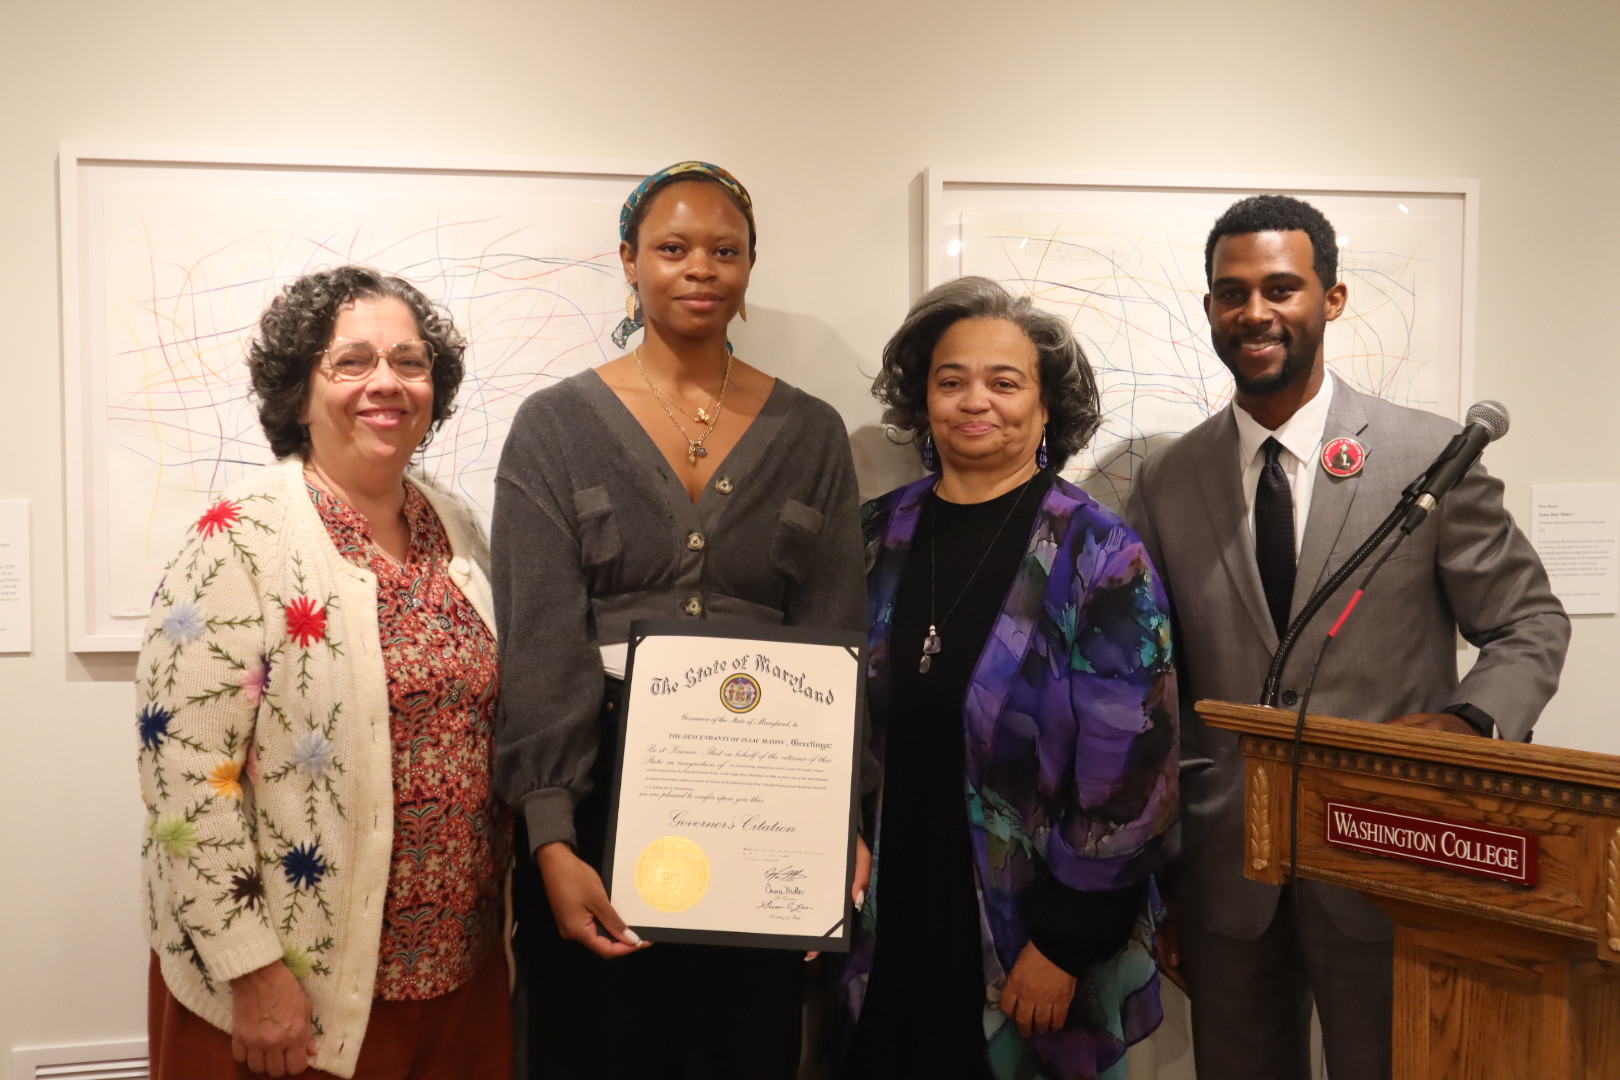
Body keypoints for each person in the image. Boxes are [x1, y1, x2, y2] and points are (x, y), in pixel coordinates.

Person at [1124, 194, 1570, 1080]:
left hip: (1389, 857)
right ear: (1210, 307)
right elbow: (1153, 684)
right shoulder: (1169, 478)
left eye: (1281, 288)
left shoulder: (1430, 457)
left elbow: (1528, 624)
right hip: (1224, 873)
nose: (1255, 312)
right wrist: (1158, 879)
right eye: (1231, 292)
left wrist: (1472, 725)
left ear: (1330, 299)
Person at [491, 161, 869, 1079]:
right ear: (629, 261)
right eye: (672, 247)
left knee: (745, 1045)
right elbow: (539, 639)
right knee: (596, 1043)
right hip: (598, 788)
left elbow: (838, 635)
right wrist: (550, 835)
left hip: (764, 790)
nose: (700, 267)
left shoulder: (813, 432)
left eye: (724, 250)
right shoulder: (554, 427)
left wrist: (839, 818)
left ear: (749, 268)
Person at [136, 266, 511, 1079]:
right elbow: (187, 779)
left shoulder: (457, 528)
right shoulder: (237, 541)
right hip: (294, 999)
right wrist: (253, 970)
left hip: (457, 973)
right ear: (299, 392)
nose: (388, 382)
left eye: (410, 362)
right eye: (352, 362)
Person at [832, 276, 1179, 1080]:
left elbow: (1132, 779)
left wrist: (1066, 944)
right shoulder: (875, 537)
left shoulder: (1099, 555)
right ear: (923, 399)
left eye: (1004, 381)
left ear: (1048, 404)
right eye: (950, 381)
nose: (973, 400)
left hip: (1028, 931)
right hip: (888, 914)